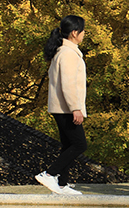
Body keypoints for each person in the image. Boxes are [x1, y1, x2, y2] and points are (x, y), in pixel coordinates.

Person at [36, 15, 89, 196]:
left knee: (68, 145)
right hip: (66, 108)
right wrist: (76, 108)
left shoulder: (64, 51)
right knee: (80, 145)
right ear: (75, 33)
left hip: (62, 107)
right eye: (83, 31)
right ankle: (49, 174)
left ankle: (61, 184)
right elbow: (68, 83)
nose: (84, 34)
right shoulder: (67, 54)